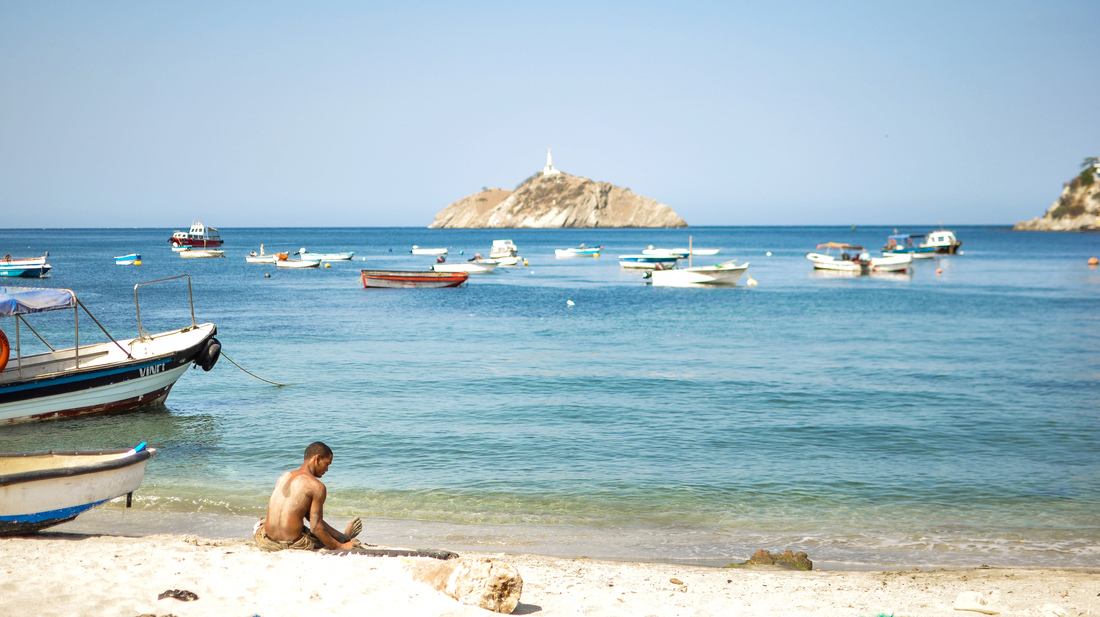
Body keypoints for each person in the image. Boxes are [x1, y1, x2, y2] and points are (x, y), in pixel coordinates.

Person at [253, 441, 363, 551]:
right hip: (292, 544)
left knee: (264, 521)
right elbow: (316, 528)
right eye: (327, 464)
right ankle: (344, 539)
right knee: (321, 535)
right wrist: (339, 546)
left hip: (266, 541)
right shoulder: (316, 487)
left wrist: (340, 536)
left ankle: (343, 537)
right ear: (317, 459)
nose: (327, 469)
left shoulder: (284, 477)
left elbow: (309, 517)